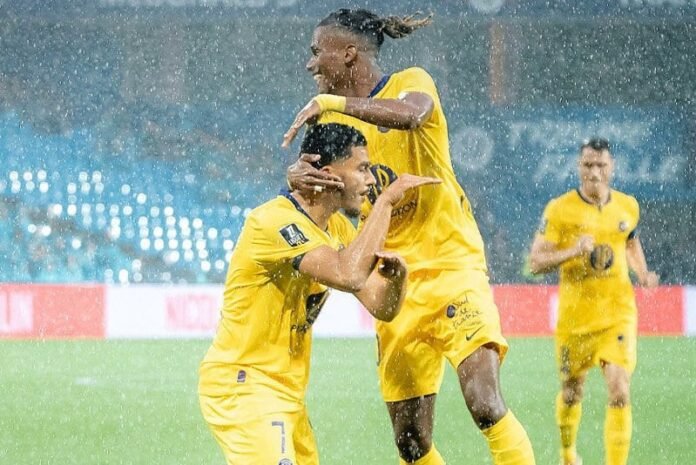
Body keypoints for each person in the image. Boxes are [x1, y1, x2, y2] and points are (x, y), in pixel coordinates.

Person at [282, 9, 536, 465]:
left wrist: (333, 103)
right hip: (392, 284)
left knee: (484, 401)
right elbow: (311, 195)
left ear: (349, 53)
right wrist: (295, 177)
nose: (310, 63)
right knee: (411, 442)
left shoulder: (410, 82)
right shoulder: (332, 128)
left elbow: (413, 115)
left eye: (317, 51)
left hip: (452, 267)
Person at [198, 123, 439, 465]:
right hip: (244, 385)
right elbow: (348, 274)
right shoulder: (273, 221)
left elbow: (381, 306)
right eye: (362, 169)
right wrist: (386, 201)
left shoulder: (337, 227)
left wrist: (399, 279)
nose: (371, 180)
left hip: (288, 392)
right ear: (328, 176)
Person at [528, 137, 660, 465]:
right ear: (579, 167)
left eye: (601, 165)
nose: (595, 172)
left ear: (612, 166)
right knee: (572, 390)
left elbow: (630, 241)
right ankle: (568, 454)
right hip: (576, 319)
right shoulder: (559, 209)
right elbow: (536, 262)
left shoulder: (627, 206)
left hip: (617, 313)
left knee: (619, 389)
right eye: (588, 165)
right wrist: (573, 250)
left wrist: (642, 273)